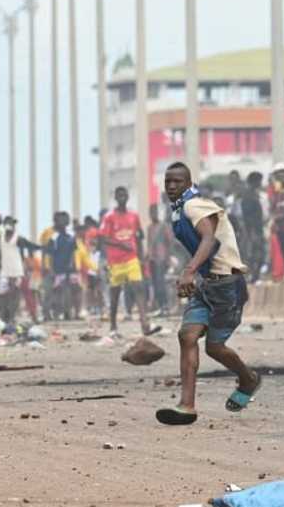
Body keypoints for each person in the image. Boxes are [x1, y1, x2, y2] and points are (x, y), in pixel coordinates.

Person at [156, 162, 260, 426]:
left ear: (188, 183)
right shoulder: (179, 211)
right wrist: (194, 274)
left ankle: (248, 379)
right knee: (187, 335)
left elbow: (209, 240)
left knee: (214, 348)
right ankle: (187, 406)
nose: (171, 186)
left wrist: (189, 270)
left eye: (177, 181)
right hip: (206, 284)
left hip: (227, 285)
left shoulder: (194, 205)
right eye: (167, 181)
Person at [99, 186, 159, 336]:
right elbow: (102, 238)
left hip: (131, 259)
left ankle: (145, 325)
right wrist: (120, 244)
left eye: (124, 194)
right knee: (115, 293)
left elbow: (139, 236)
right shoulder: (109, 217)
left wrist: (141, 256)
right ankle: (113, 326)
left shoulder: (134, 215)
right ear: (115, 197)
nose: (122, 197)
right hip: (115, 261)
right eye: (119, 194)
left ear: (127, 196)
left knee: (139, 288)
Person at [0, 217, 40, 323]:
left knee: (23, 293)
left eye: (11, 223)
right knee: (6, 295)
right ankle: (7, 317)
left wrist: (44, 247)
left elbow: (31, 246)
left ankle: (33, 316)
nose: (9, 225)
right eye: (8, 223)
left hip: (17, 271)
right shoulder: (1, 237)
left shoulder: (18, 238)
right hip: (5, 270)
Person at [44, 212, 82, 321]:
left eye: (65, 220)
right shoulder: (53, 237)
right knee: (58, 291)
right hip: (58, 269)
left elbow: (73, 253)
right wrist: (50, 269)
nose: (63, 222)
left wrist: (75, 266)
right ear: (56, 222)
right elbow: (49, 254)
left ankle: (73, 312)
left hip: (71, 269)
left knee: (75, 290)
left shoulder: (71, 236)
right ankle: (57, 313)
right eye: (60, 220)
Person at [145, 203, 174, 316]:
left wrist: (168, 257)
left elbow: (170, 242)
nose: (153, 214)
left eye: (155, 212)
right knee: (155, 284)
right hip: (152, 259)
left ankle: (165, 306)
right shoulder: (149, 228)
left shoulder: (164, 226)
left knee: (161, 283)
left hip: (162, 259)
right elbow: (149, 244)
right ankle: (161, 307)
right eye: (151, 212)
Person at [240, 172, 266, 283]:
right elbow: (248, 216)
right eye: (259, 181)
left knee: (258, 254)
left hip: (257, 229)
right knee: (254, 255)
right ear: (254, 182)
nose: (260, 183)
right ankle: (251, 277)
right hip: (252, 230)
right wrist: (252, 232)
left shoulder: (253, 194)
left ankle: (254, 277)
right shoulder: (248, 196)